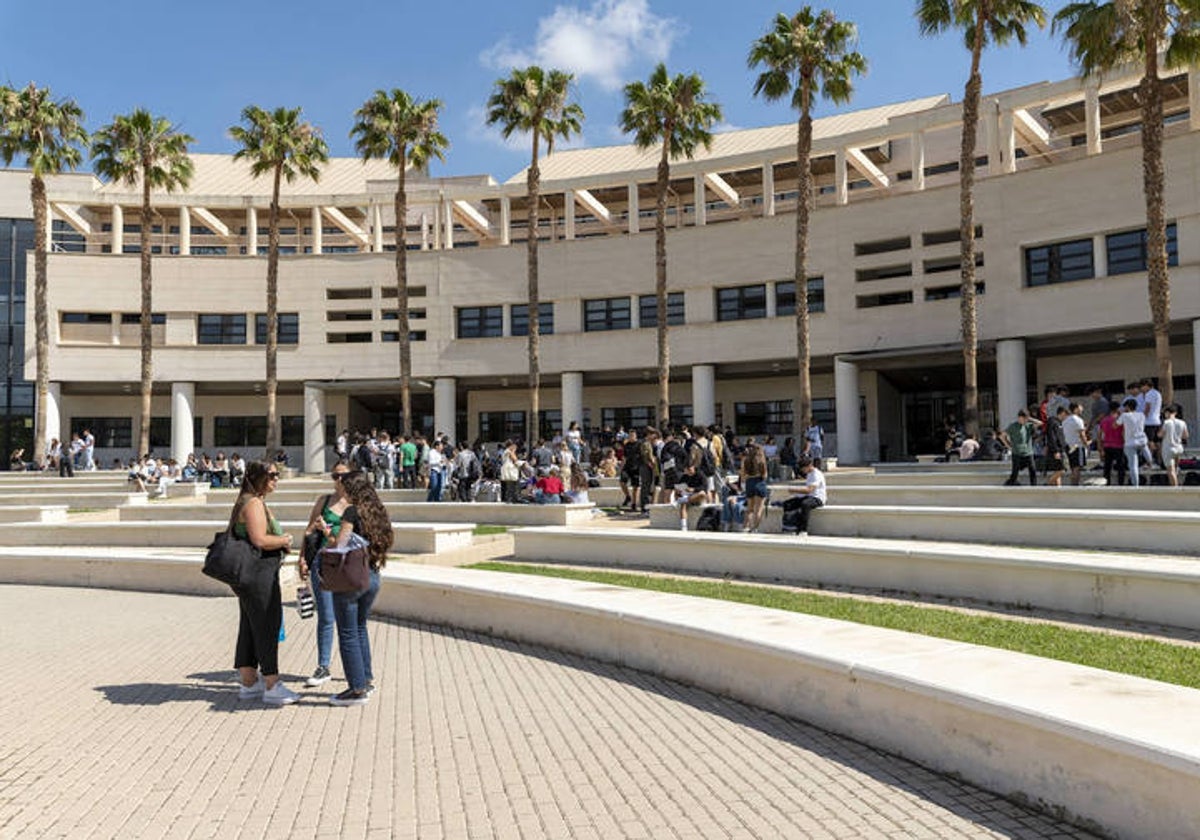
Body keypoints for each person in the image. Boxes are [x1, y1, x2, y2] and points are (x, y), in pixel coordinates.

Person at [231, 460, 298, 705]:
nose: (276, 479)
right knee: (266, 626)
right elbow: (259, 539)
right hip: (259, 575)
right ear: (258, 477)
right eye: (271, 475)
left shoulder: (250, 500)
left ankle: (249, 682)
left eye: (277, 474)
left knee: (250, 627)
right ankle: (272, 684)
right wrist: (283, 540)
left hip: (252, 576)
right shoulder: (253, 503)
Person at [327, 470, 395, 706]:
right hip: (373, 575)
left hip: (352, 578)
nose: (341, 490)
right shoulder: (378, 511)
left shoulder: (352, 512)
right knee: (359, 628)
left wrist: (328, 533)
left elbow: (341, 544)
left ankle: (356, 689)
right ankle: (365, 679)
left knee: (347, 632)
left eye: (344, 486)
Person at [297, 461, 352, 689]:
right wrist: (302, 558)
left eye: (343, 476)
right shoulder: (324, 501)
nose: (338, 480)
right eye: (334, 476)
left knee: (350, 620)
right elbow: (308, 531)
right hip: (322, 563)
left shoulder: (356, 505)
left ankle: (357, 669)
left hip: (348, 566)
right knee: (326, 617)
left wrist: (328, 531)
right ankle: (323, 666)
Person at [781, 454, 826, 535]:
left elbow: (809, 490)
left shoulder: (816, 474)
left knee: (805, 504)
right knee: (788, 504)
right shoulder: (809, 474)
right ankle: (790, 527)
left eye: (803, 468)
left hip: (818, 498)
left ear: (809, 466)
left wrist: (794, 490)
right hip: (809, 496)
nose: (802, 470)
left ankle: (803, 529)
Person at [1115, 398, 1149, 489]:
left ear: (1127, 407)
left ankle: (1136, 485)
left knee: (1133, 465)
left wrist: (1119, 415)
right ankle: (1150, 462)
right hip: (1142, 440)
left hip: (1130, 443)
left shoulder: (1124, 415)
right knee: (1146, 451)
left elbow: (1115, 425)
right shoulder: (1142, 415)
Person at [1001, 410, 1040, 486]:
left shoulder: (1028, 425)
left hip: (1028, 452)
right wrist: (1008, 446)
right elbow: (1002, 436)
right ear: (1019, 418)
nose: (1025, 421)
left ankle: (1034, 486)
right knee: (1015, 472)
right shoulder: (1013, 426)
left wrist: (1030, 418)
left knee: (1032, 470)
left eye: (1026, 419)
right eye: (1023, 419)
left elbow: (1040, 423)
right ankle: (1010, 484)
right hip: (1017, 452)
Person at [739, 441, 769, 532]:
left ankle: (745, 527)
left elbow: (743, 477)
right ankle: (754, 528)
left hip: (749, 483)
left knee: (749, 509)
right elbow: (765, 476)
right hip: (759, 482)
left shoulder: (746, 460)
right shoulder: (761, 461)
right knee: (758, 509)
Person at [1159, 404, 1189, 487]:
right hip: (1179, 448)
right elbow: (1185, 436)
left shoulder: (1166, 422)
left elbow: (1160, 434)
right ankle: (1176, 484)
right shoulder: (1182, 422)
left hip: (1168, 448)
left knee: (1171, 470)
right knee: (1175, 469)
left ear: (1167, 413)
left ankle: (1175, 488)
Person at [1098, 403, 1127, 487]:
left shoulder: (1104, 420)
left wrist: (1100, 448)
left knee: (1107, 467)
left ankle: (1107, 484)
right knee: (1121, 467)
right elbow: (1123, 433)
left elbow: (1099, 435)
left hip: (1107, 445)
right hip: (1119, 445)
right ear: (1117, 409)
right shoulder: (1120, 420)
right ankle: (1121, 484)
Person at [1061, 403, 1089, 486]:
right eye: (1080, 407)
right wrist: (1086, 443)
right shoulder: (1078, 420)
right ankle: (1075, 485)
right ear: (1076, 409)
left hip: (1068, 446)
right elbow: (1082, 434)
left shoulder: (1065, 420)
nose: (1082, 408)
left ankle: (1073, 485)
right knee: (1077, 467)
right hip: (1077, 446)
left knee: (1073, 467)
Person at [1043, 409, 1068, 487]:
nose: (1066, 417)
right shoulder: (1053, 422)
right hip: (1056, 450)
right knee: (1062, 470)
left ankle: (1058, 488)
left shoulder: (1058, 423)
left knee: (1058, 470)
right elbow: (1052, 437)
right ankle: (1048, 484)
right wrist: (1055, 451)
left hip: (1060, 449)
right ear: (1062, 413)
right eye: (1065, 415)